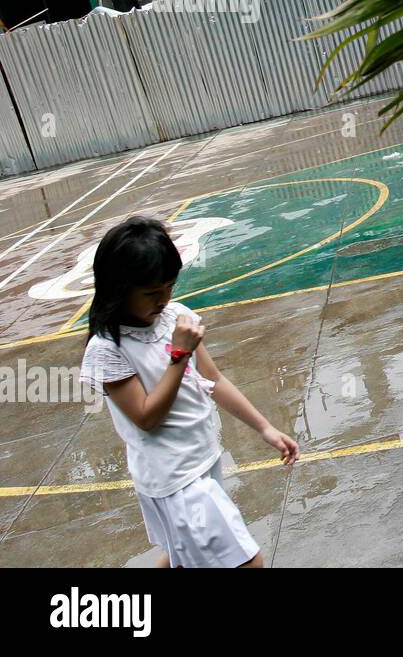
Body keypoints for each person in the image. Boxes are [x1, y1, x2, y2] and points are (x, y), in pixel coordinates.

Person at [79, 216, 299, 568]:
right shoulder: (108, 349)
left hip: (203, 459)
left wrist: (265, 429)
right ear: (119, 288)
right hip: (175, 479)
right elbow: (147, 417)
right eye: (152, 293)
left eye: (169, 286)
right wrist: (178, 355)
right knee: (247, 563)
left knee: (180, 558)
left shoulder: (176, 316)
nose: (164, 299)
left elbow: (214, 380)